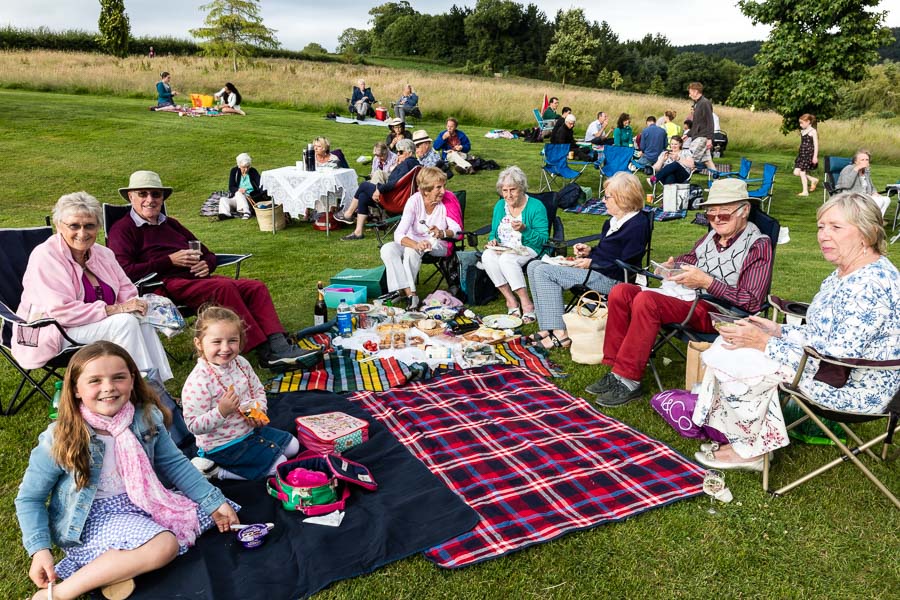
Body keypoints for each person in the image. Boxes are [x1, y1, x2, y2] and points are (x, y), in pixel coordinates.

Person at [681, 194, 900, 471]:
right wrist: (777, 330)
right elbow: (825, 334)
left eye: (836, 227)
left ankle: (751, 452)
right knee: (730, 345)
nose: (823, 236)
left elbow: (834, 362)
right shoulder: (847, 271)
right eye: (821, 227)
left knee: (739, 358)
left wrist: (765, 344)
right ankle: (742, 437)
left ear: (866, 232)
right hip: (837, 369)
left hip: (854, 388)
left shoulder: (869, 285)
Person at [15, 341, 239, 600]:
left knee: (212, 513)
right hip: (91, 519)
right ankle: (62, 592)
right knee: (165, 545)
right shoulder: (60, 437)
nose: (108, 387)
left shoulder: (145, 416)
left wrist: (213, 502)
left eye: (118, 377)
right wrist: (39, 550)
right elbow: (29, 498)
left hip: (142, 499)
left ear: (132, 380)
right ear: (75, 388)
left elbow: (176, 465)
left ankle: (114, 568)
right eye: (95, 381)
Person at [586, 178, 774, 407]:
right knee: (621, 291)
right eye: (710, 214)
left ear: (744, 211)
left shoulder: (758, 245)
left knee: (647, 300)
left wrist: (707, 281)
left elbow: (752, 301)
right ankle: (615, 372)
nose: (715, 220)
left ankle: (628, 380)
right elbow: (689, 259)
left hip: (720, 312)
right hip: (688, 298)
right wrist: (671, 267)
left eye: (723, 214)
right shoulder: (710, 238)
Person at [107, 171, 315, 367]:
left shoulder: (170, 224)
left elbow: (207, 253)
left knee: (255, 287)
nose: (150, 199)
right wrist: (169, 261)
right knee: (224, 288)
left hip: (196, 279)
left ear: (162, 198)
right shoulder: (123, 230)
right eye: (143, 194)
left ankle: (278, 343)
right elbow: (124, 271)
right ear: (130, 197)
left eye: (156, 194)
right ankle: (263, 351)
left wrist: (206, 264)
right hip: (163, 285)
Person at [12, 192, 174, 384]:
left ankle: (158, 389)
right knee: (124, 322)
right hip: (54, 330)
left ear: (98, 226)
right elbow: (61, 311)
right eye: (74, 226)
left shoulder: (103, 254)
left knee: (141, 317)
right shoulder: (46, 256)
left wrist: (134, 305)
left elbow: (127, 290)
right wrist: (113, 310)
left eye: (89, 225)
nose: (82, 233)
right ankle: (140, 392)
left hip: (94, 324)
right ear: (59, 226)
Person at [526, 173, 651, 349]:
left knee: (543, 271)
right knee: (533, 265)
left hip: (615, 280)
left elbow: (626, 264)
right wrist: (590, 251)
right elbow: (608, 251)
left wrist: (592, 263)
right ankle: (547, 328)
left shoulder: (637, 224)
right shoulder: (612, 222)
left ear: (622, 198)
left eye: (607, 196)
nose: (603, 200)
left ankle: (560, 334)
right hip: (597, 271)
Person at [183, 306, 300, 481]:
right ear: (199, 343)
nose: (225, 348)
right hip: (223, 446)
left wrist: (259, 410)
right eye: (217, 342)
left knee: (294, 446)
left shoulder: (240, 363)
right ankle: (217, 472)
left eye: (232, 340)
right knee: (280, 465)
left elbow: (257, 389)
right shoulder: (198, 382)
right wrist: (221, 412)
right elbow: (193, 425)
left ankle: (254, 458)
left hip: (250, 432)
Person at [379, 168, 462, 310]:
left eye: (443, 186)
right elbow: (398, 234)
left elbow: (458, 232)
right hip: (415, 242)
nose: (443, 191)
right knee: (388, 249)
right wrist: (416, 244)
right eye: (438, 187)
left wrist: (441, 232)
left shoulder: (448, 199)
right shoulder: (414, 201)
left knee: (411, 252)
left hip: (439, 244)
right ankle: (402, 290)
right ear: (425, 191)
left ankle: (412, 295)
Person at [482, 166, 549, 322]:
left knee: (507, 260)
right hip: (505, 246)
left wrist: (525, 230)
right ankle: (510, 300)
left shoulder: (536, 206)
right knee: (487, 256)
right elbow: (494, 232)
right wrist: (493, 241)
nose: (508, 195)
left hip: (528, 247)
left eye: (513, 190)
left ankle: (526, 304)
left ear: (522, 188)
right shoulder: (500, 206)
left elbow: (542, 239)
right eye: (505, 190)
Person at [335, 139, 419, 241]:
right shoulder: (415, 164)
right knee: (363, 196)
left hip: (393, 200)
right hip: (399, 198)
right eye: (397, 152)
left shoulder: (406, 164)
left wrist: (379, 189)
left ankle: (348, 214)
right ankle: (358, 232)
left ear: (409, 153)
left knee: (364, 185)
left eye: (400, 152)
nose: (398, 154)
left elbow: (394, 183)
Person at [837, 150, 890, 216]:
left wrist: (874, 192)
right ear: (856, 161)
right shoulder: (848, 168)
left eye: (867, 160)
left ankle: (877, 220)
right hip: (852, 196)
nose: (865, 162)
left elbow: (871, 185)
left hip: (865, 196)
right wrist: (857, 169)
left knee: (886, 199)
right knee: (879, 201)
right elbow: (845, 185)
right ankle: (869, 220)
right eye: (862, 160)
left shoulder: (865, 171)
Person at [222, 153, 262, 220]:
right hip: (238, 198)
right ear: (239, 166)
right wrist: (239, 189)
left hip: (249, 199)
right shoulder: (234, 171)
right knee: (223, 199)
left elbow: (260, 185)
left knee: (238, 193)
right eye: (244, 167)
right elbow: (231, 187)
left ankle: (247, 212)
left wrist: (253, 194)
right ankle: (225, 214)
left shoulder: (253, 171)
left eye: (248, 167)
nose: (246, 169)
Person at [687, 82, 717, 171]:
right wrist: (688, 134)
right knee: (707, 161)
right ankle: (717, 180)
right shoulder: (697, 103)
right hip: (698, 136)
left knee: (689, 158)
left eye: (690, 92)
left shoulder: (705, 103)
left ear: (696, 91)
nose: (689, 95)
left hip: (702, 137)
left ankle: (682, 181)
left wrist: (709, 138)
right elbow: (697, 123)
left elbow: (710, 121)